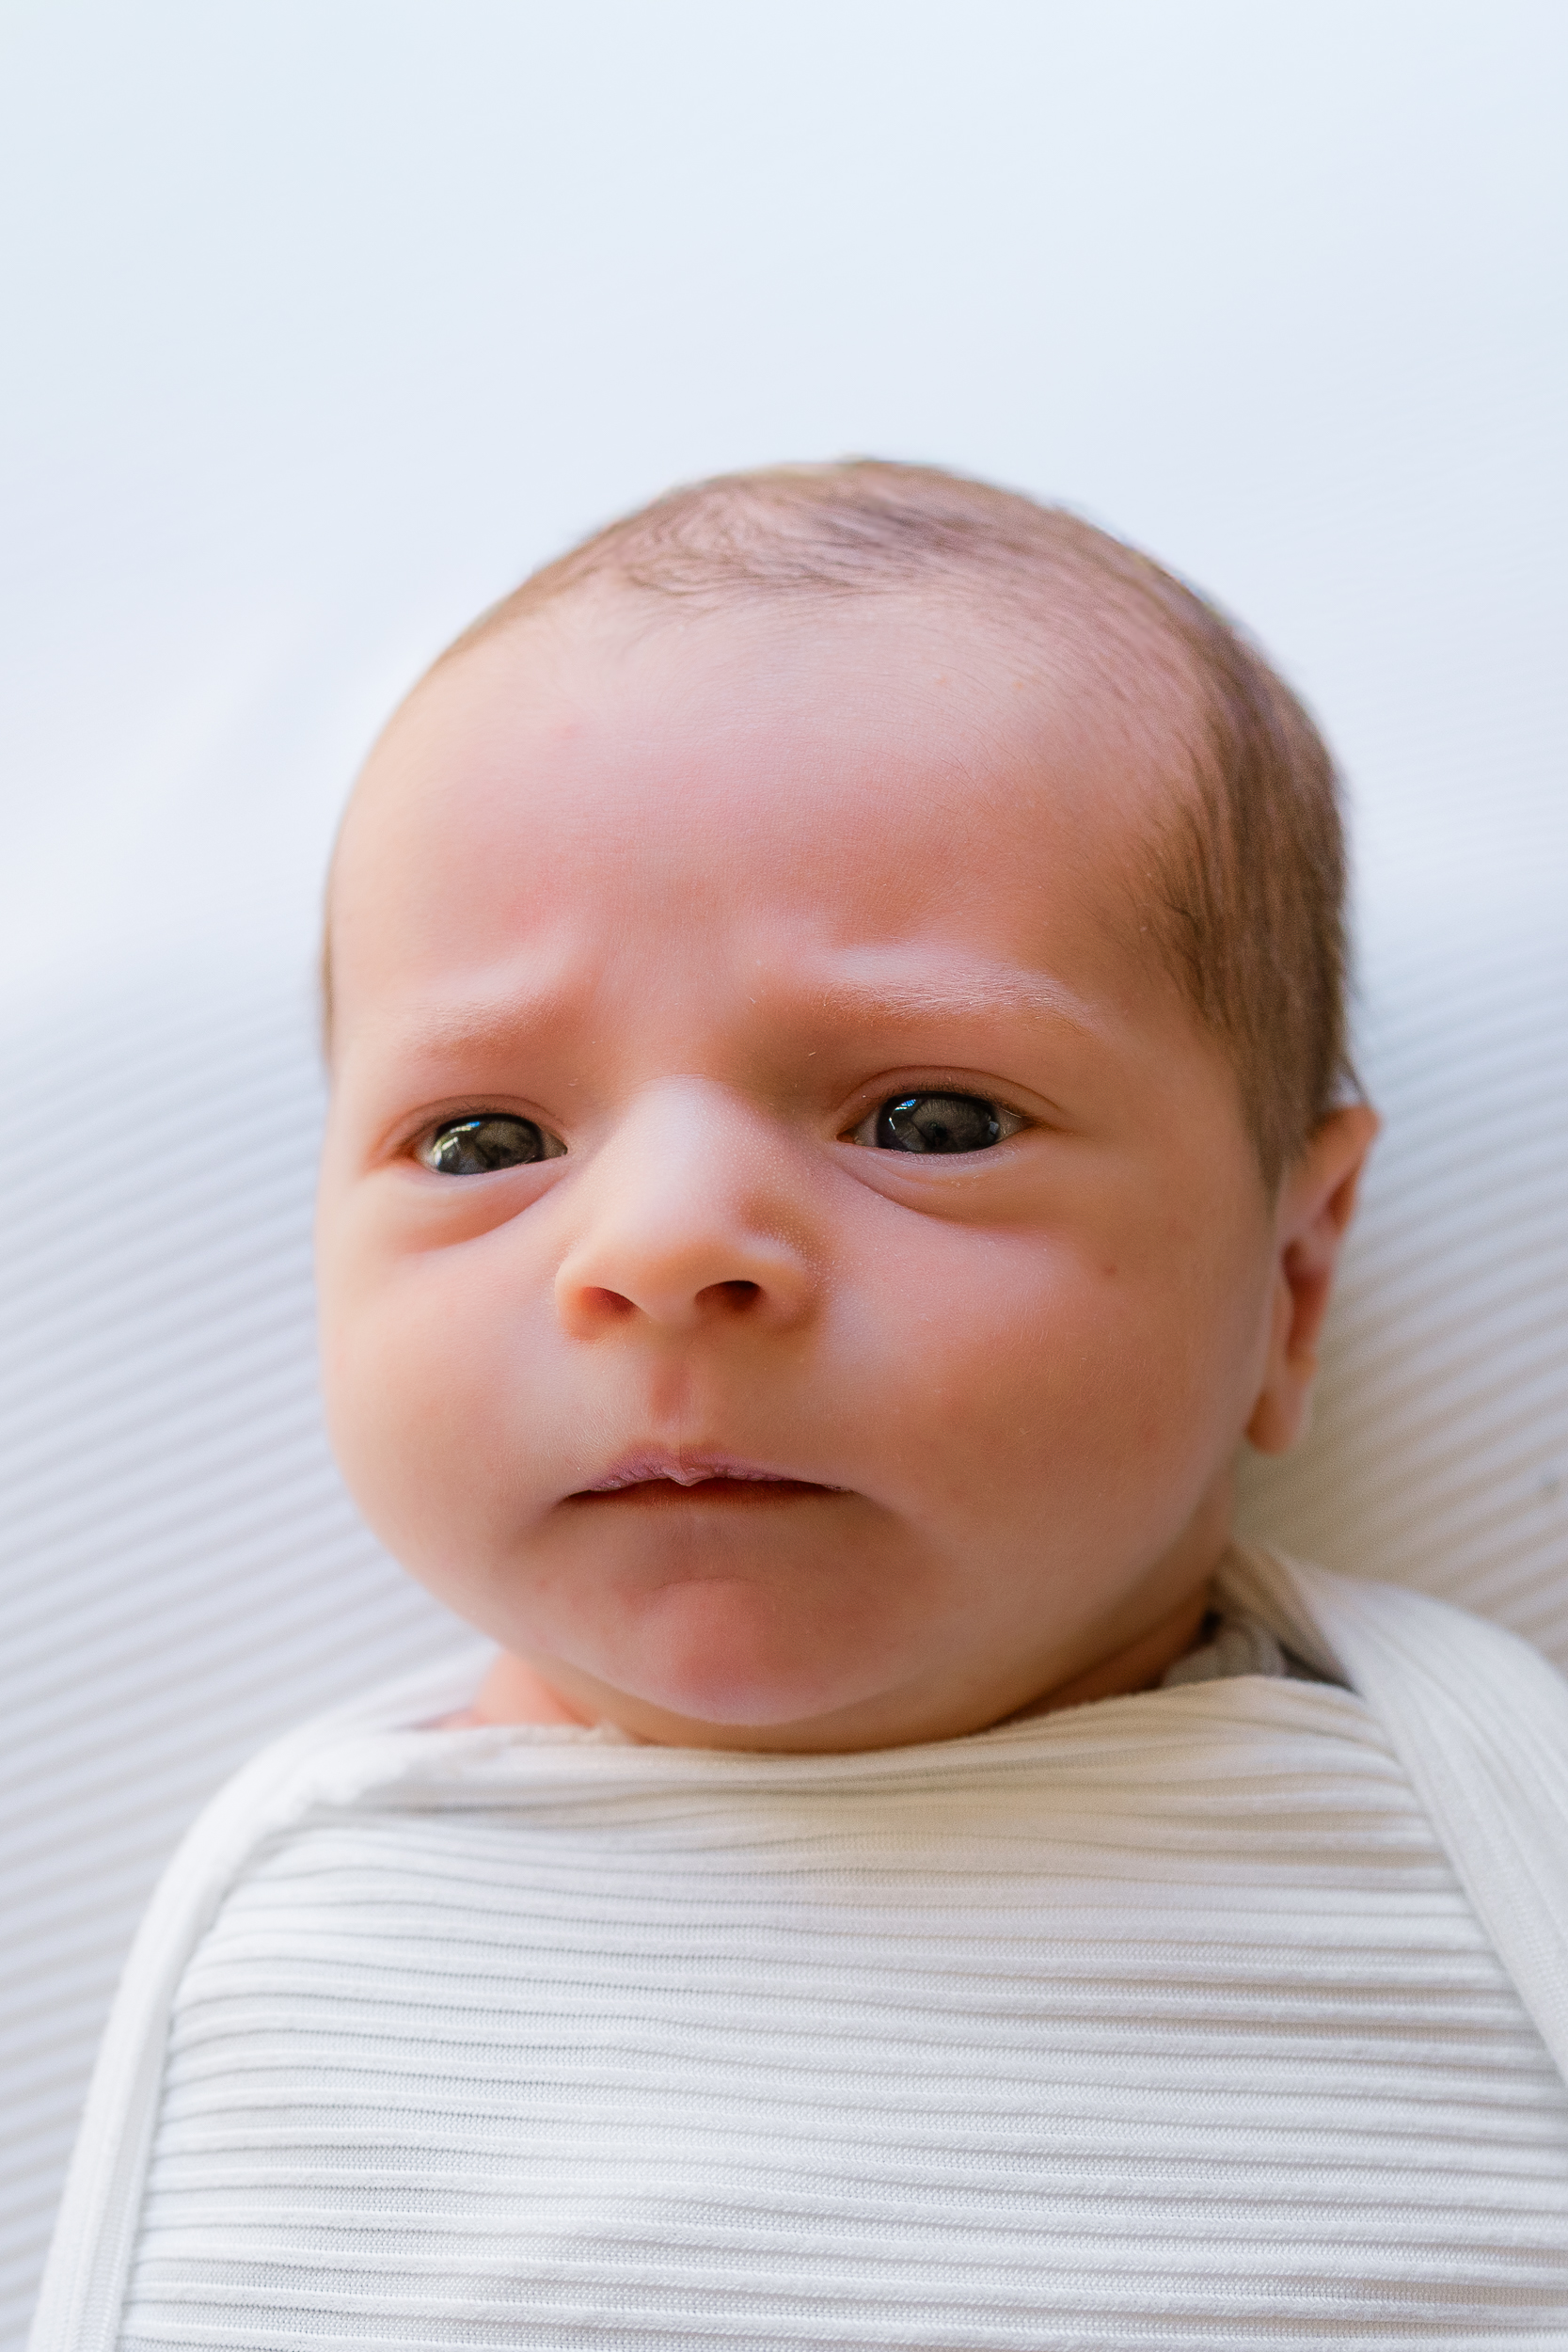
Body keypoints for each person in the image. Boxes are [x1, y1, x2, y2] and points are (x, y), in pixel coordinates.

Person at [33, 464, 1568, 2351]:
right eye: (486, 1140)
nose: (666, 1244)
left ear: (1292, 1276)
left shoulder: (1497, 1821)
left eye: (929, 1119)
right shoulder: (312, 1915)